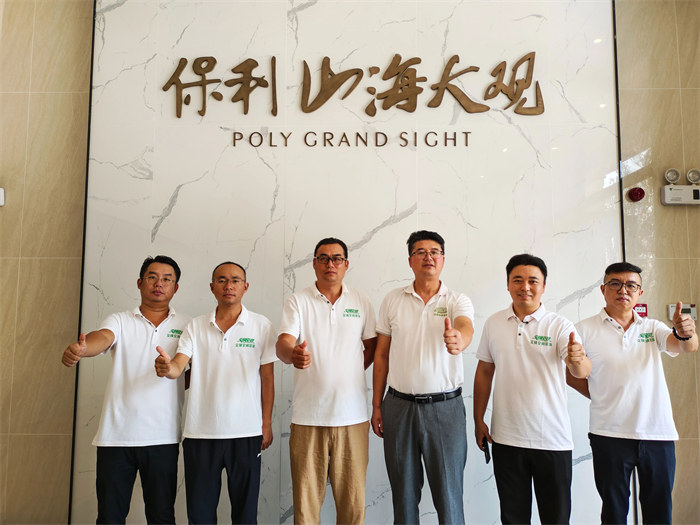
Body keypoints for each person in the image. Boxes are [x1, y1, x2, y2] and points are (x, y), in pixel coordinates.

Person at [568, 262, 698, 524]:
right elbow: (572, 374)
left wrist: (688, 333)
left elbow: (686, 347)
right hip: (609, 434)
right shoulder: (583, 329)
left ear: (640, 292)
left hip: (657, 434)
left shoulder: (652, 327)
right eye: (615, 283)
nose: (623, 290)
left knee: (659, 511)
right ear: (603, 289)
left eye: (631, 285)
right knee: (614, 512)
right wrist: (602, 394)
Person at [61, 255, 188, 524]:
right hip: (116, 437)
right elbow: (102, 338)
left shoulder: (187, 326)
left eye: (167, 279)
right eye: (152, 277)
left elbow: (195, 373)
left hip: (163, 437)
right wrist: (83, 348)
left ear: (175, 288)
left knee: (162, 517)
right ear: (140, 283)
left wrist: (174, 378)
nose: (159, 283)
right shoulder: (120, 320)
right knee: (110, 517)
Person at [154, 261, 276, 524]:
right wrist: (168, 368)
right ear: (212, 287)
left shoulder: (262, 325)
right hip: (200, 434)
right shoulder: (196, 326)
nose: (228, 286)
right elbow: (178, 364)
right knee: (200, 516)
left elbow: (267, 378)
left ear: (245, 286)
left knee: (245, 516)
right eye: (221, 280)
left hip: (246, 433)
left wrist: (266, 424)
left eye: (235, 280)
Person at [473, 253, 591, 525]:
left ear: (544, 286)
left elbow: (580, 370)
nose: (524, 287)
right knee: (513, 518)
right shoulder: (493, 323)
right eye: (517, 280)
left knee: (556, 519)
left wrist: (578, 360)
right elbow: (485, 372)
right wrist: (478, 419)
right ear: (507, 284)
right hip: (506, 439)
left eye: (532, 281)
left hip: (552, 440)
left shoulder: (559, 325)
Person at [371, 230, 474, 525]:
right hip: (398, 407)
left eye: (434, 252)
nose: (428, 257)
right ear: (410, 260)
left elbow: (465, 326)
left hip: (445, 409)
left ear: (443, 259)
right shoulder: (393, 299)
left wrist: (459, 338)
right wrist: (377, 405)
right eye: (420, 252)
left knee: (449, 496)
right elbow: (381, 355)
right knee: (403, 496)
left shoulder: (456, 300)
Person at [276, 237, 377, 525]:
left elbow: (372, 347)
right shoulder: (298, 301)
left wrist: (349, 369)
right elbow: (283, 344)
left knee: (353, 507)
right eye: (323, 258)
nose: (330, 264)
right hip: (308, 418)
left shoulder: (361, 301)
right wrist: (293, 355)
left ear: (346, 264)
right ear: (314, 264)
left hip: (352, 417)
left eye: (336, 258)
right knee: (306, 509)